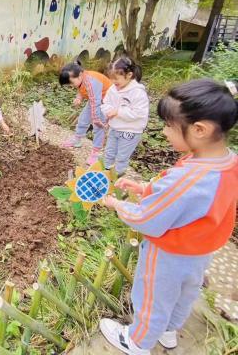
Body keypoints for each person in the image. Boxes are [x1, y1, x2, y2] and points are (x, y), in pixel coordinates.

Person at [100, 79, 238, 355]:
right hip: (200, 251)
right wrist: (145, 188)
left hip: (169, 251)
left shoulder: (188, 178)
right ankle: (169, 332)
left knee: (152, 297)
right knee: (186, 293)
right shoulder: (228, 163)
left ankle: (137, 342)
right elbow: (189, 203)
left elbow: (147, 218)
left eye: (169, 126)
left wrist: (117, 204)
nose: (163, 132)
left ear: (199, 129)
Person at [101, 56, 149, 175]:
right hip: (114, 128)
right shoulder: (113, 89)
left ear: (129, 75)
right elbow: (105, 103)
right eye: (111, 78)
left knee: (122, 156)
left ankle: (117, 176)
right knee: (109, 152)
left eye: (116, 79)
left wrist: (117, 112)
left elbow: (139, 113)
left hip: (130, 132)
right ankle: (106, 173)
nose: (113, 82)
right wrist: (108, 111)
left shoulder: (137, 92)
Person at [59, 61, 112, 165]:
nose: (71, 86)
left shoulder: (91, 82)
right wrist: (79, 97)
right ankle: (77, 139)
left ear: (79, 75)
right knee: (83, 119)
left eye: (71, 83)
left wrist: (96, 118)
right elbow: (81, 88)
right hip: (95, 100)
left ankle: (95, 152)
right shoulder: (82, 77)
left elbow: (95, 102)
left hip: (105, 102)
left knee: (98, 126)